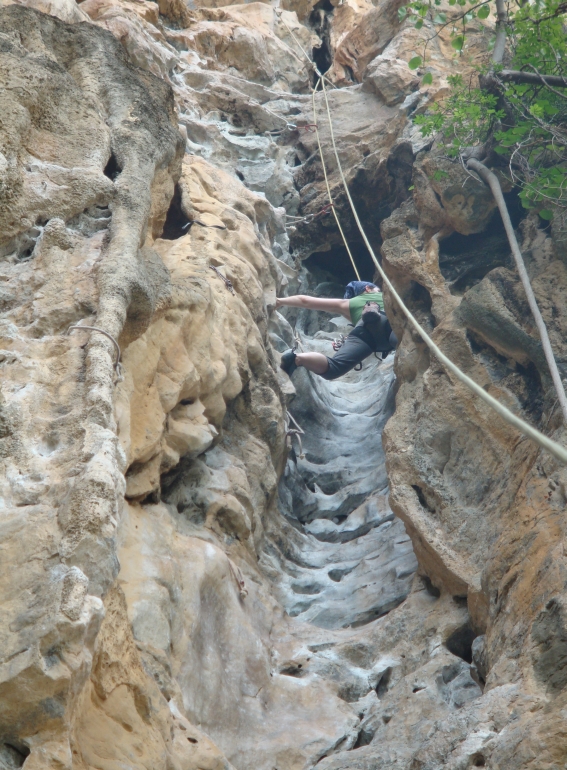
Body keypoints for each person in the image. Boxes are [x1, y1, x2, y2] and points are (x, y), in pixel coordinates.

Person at [277, 280, 397, 380]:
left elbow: (306, 301)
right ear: (368, 288)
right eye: (377, 288)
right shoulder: (389, 295)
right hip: (389, 323)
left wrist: (279, 301)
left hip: (363, 332)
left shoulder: (349, 303)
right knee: (400, 340)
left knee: (333, 369)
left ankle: (297, 358)